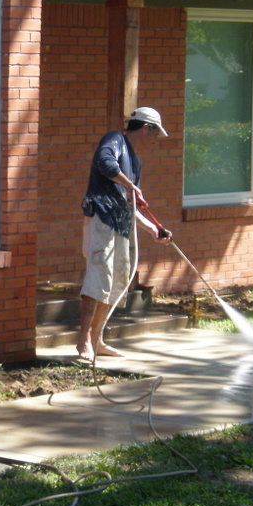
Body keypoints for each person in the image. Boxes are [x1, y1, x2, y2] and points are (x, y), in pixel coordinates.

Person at [76, 106, 172, 363]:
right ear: (145, 128)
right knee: (98, 278)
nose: (154, 140)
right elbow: (105, 164)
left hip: (121, 225)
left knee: (116, 282)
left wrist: (153, 229)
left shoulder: (136, 162)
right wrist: (131, 185)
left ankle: (97, 339)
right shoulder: (114, 140)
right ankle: (83, 338)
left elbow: (130, 204)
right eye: (154, 134)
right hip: (101, 219)